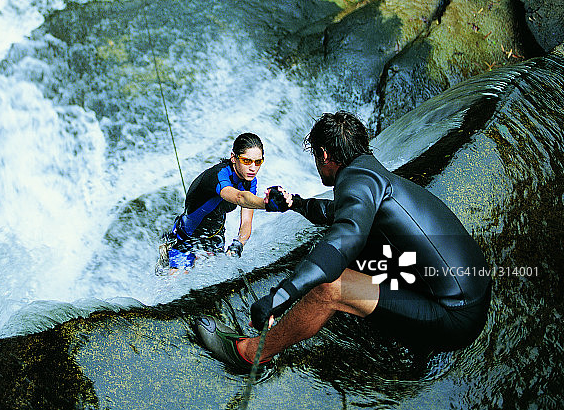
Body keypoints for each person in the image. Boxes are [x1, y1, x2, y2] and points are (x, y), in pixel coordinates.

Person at [196, 111, 492, 368]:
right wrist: (296, 203)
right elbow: (339, 212)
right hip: (469, 290)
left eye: (315, 157)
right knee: (346, 255)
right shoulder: (370, 173)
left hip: (454, 316)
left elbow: (344, 239)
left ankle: (251, 354)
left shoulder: (358, 182)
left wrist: (280, 296)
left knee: (329, 286)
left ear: (325, 155)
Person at [159, 132, 281, 272]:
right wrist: (266, 203)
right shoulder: (219, 175)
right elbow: (239, 197)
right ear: (233, 158)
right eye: (247, 161)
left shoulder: (250, 181)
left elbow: (246, 221)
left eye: (258, 162)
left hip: (215, 236)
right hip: (187, 238)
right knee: (176, 282)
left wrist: (238, 244)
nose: (253, 168)